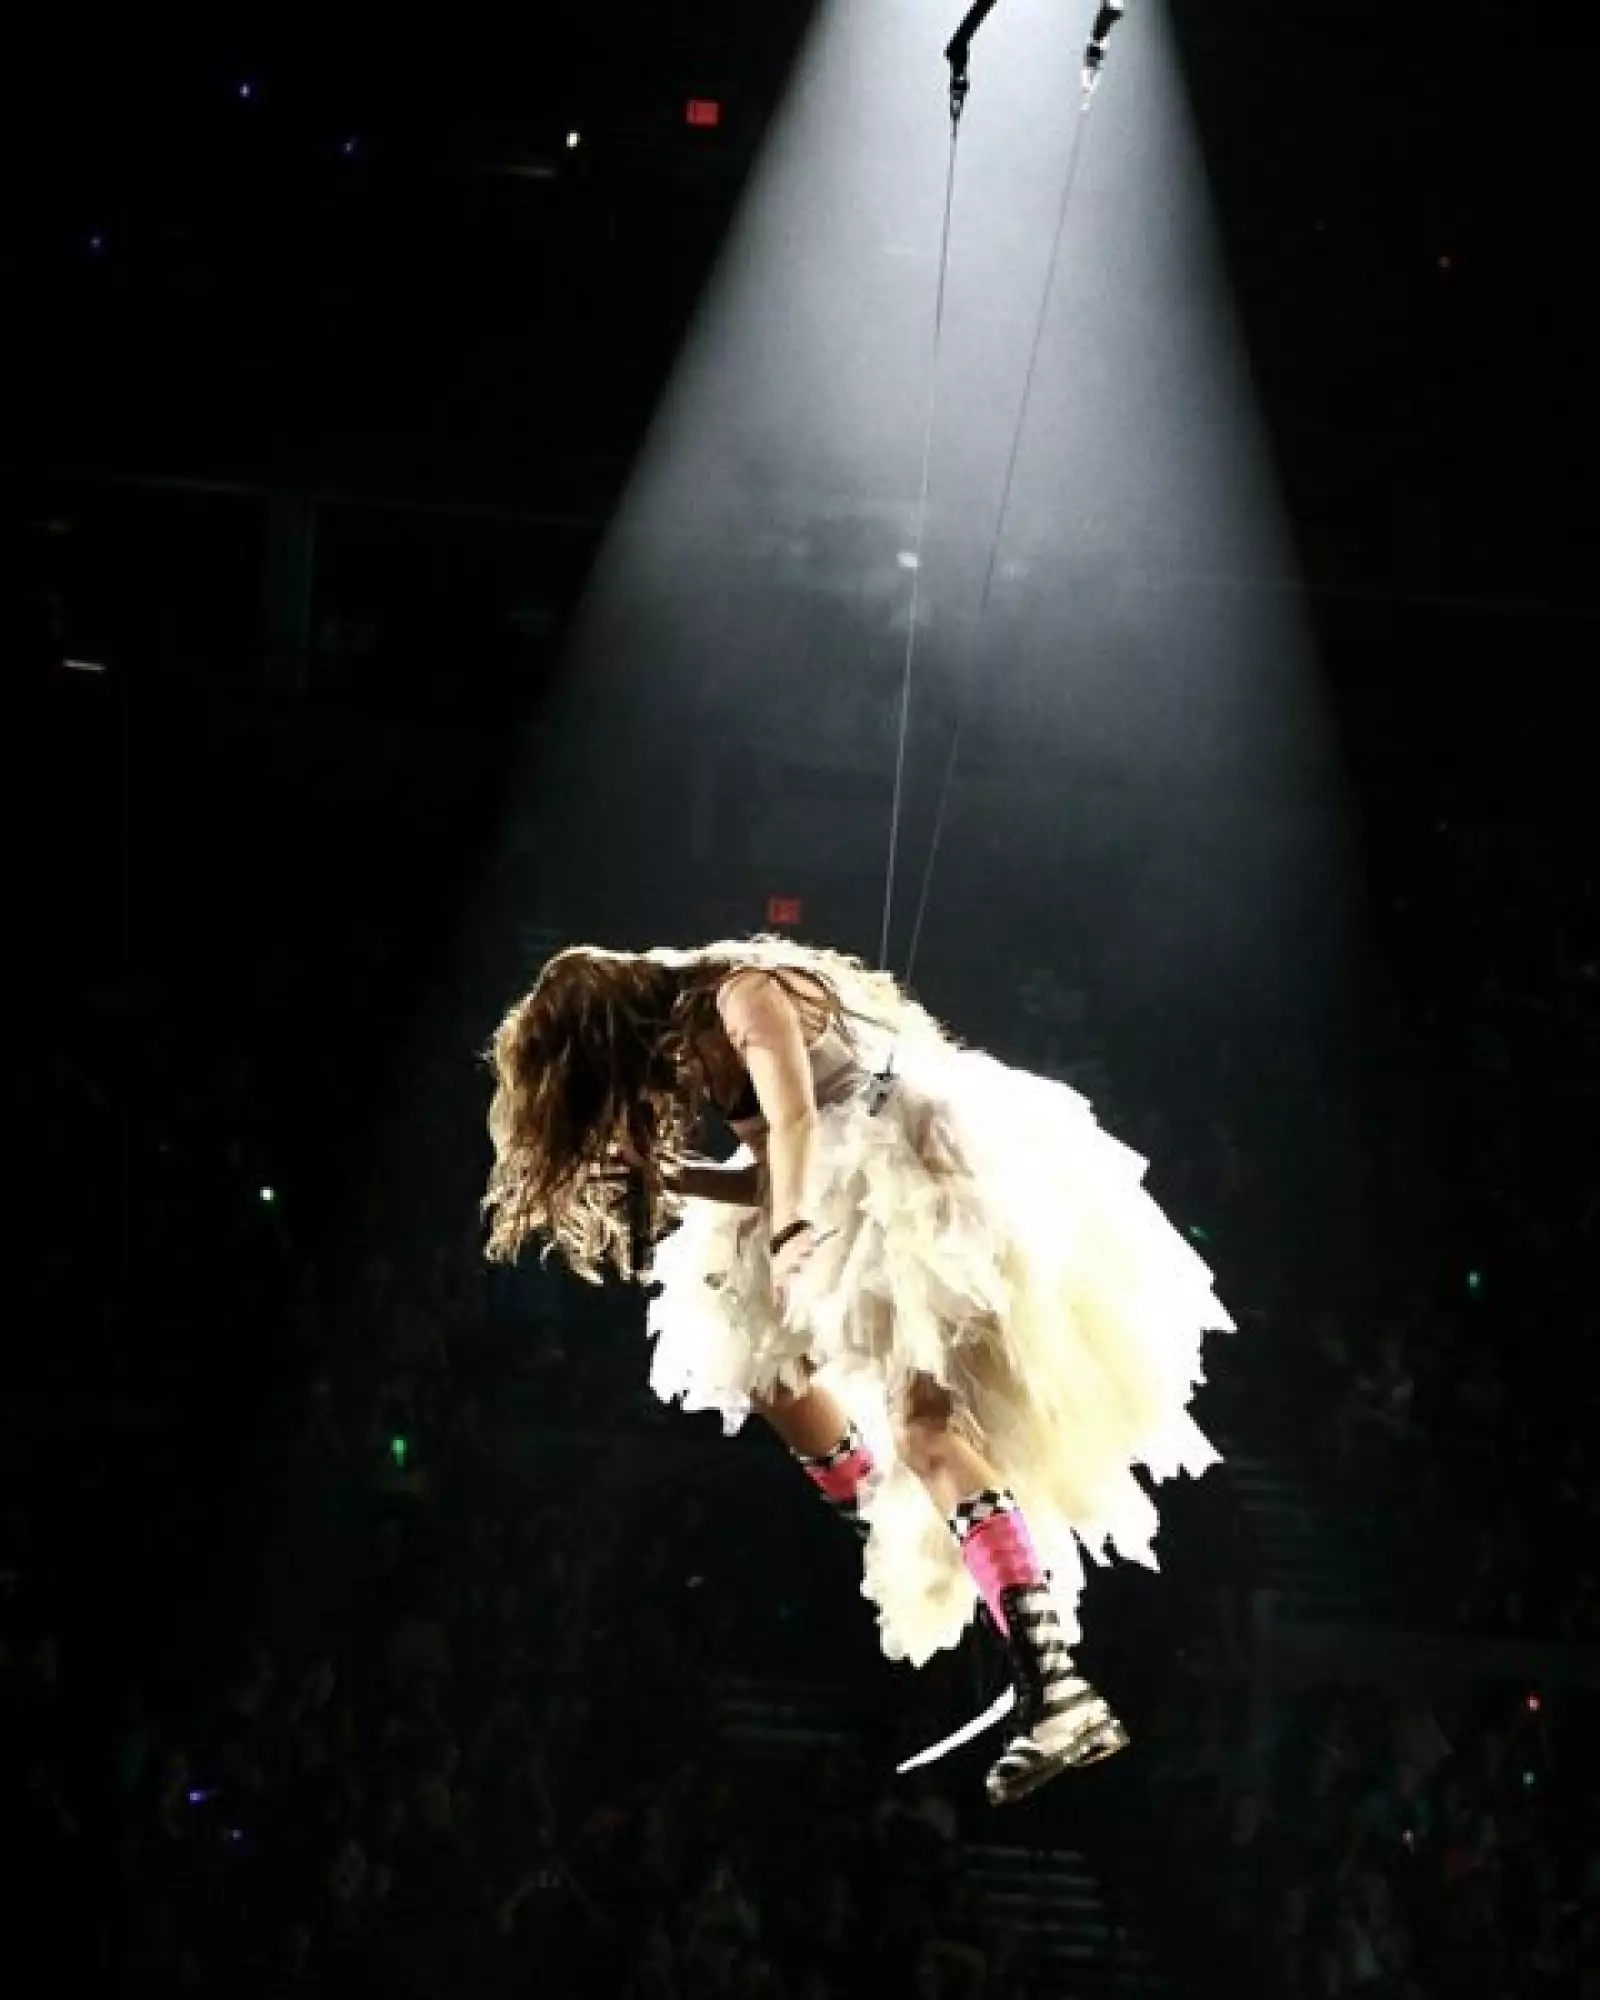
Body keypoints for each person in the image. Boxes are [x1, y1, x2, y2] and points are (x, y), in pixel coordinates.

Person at [482, 935, 1233, 1804]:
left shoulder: (743, 995)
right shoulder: (700, 1037)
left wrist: (797, 1224)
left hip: (922, 1180)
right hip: (843, 1187)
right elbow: (772, 1168)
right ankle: (897, 1509)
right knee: (758, 1358)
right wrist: (681, 1178)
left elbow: (798, 1124)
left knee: (927, 1426)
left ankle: (1056, 1687)